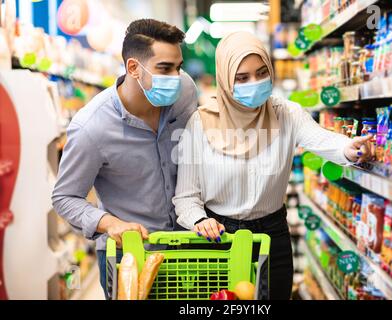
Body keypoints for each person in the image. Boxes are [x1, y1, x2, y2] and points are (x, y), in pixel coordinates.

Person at [173, 32, 374, 300]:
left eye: (261, 73)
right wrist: (200, 220)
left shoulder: (286, 114)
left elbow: (323, 139)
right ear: (224, 79)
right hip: (219, 239)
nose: (254, 83)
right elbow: (186, 197)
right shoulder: (200, 124)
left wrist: (349, 148)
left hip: (273, 236)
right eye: (242, 78)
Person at [52, 19, 197, 296]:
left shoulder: (185, 92)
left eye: (178, 67)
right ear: (133, 68)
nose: (176, 78)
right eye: (165, 69)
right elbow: (64, 197)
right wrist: (109, 223)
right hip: (130, 256)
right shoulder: (91, 128)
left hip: (189, 245)